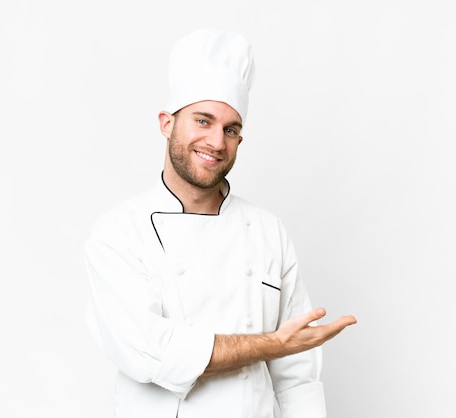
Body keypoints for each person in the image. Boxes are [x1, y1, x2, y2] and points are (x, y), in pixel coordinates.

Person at [84, 29, 357, 418]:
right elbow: (152, 353)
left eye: (230, 129)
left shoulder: (267, 231)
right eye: (203, 120)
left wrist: (286, 353)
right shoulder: (119, 233)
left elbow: (298, 375)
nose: (216, 141)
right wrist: (273, 344)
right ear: (166, 123)